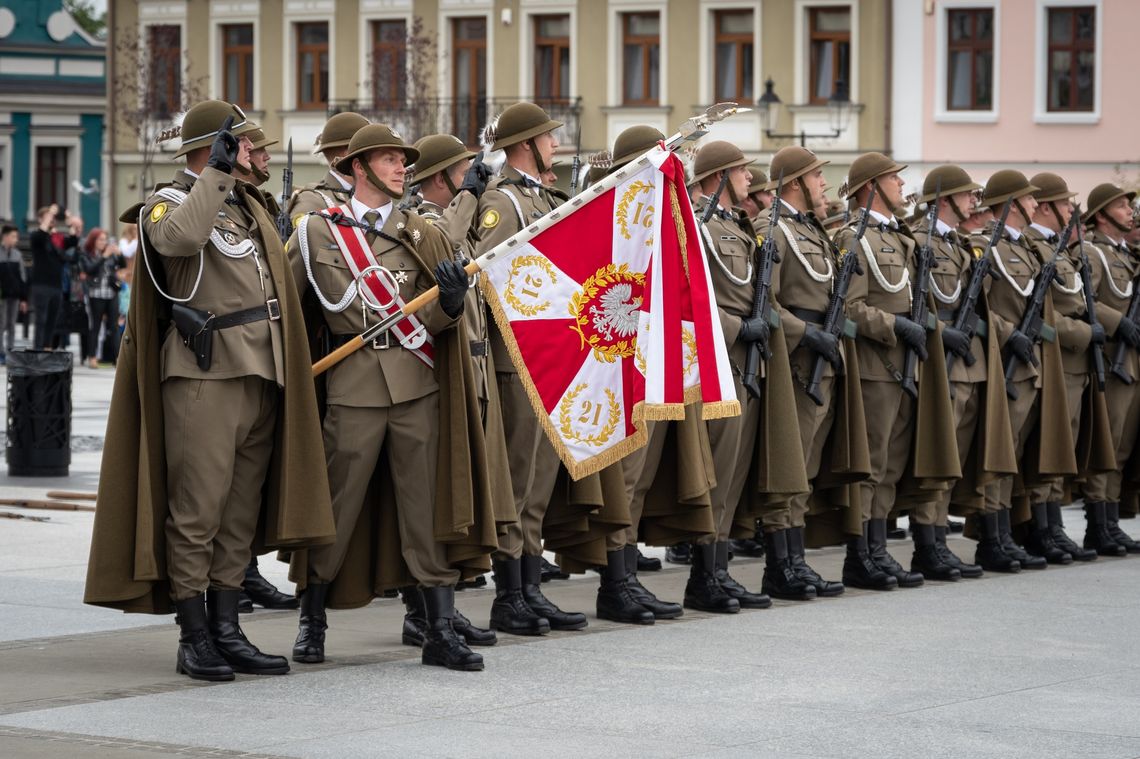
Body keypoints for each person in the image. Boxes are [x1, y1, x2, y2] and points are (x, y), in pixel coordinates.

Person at [84, 100, 335, 684]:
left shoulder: (248, 208)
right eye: (251, 145)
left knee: (237, 516)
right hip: (204, 375)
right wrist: (216, 174)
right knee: (196, 512)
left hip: (260, 371)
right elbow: (178, 242)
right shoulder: (167, 203)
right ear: (215, 148)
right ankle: (194, 635)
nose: (262, 155)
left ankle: (228, 628)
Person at [288, 123, 495, 672]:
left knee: (426, 508)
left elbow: (441, 317)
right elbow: (291, 311)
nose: (403, 167)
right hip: (351, 388)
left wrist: (449, 303)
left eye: (403, 160)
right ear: (357, 167)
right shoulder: (317, 232)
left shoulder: (424, 232)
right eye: (388, 160)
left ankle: (438, 629)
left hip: (416, 385)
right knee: (333, 507)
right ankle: (312, 621)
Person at [473, 102, 588, 635]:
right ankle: (509, 597)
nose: (556, 145)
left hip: (550, 359)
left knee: (539, 480)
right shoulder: (503, 200)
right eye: (549, 137)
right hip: (517, 359)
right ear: (526, 144)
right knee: (518, 480)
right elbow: (488, 277)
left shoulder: (545, 196)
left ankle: (530, 588)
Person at [834, 152, 958, 590]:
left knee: (890, 464)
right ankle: (860, 555)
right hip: (875, 367)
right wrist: (896, 326)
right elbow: (850, 307)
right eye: (893, 179)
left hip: (906, 366)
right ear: (871, 187)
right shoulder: (856, 239)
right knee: (870, 465)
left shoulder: (901, 238)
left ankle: (879, 548)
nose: (903, 187)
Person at [758, 145, 855, 598]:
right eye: (817, 176)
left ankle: (796, 559)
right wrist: (805, 334)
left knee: (808, 465)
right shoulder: (772, 230)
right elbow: (767, 303)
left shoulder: (810, 230)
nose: (823, 184)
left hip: (824, 356)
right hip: (796, 361)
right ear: (795, 182)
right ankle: (780, 565)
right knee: (790, 464)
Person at [910, 166, 1010, 577]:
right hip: (942, 360)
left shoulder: (959, 245)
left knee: (957, 458)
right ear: (945, 199)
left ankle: (941, 539)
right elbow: (917, 302)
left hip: (969, 363)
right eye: (966, 195)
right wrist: (942, 332)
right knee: (938, 455)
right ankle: (927, 544)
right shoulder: (920, 242)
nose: (974, 202)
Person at [1022, 173, 1104, 563]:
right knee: (1048, 443)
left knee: (1065, 442)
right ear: (1044, 206)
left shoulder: (1060, 249)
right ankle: (1042, 527)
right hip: (1052, 359)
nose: (1073, 211)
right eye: (1066, 204)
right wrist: (1086, 333)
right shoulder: (1036, 249)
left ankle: (1053, 524)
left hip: (1075, 362)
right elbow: (1041, 314)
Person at [1079, 182, 1140, 555]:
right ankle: (1097, 525)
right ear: (1101, 214)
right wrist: (1119, 322)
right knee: (1107, 443)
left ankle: (1112, 519)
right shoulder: (1092, 253)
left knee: (1122, 446)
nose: (1129, 212)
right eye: (1121, 207)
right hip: (1109, 360)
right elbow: (1084, 298)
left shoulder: (1125, 255)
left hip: (1129, 362)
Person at [285, 111, 370, 224]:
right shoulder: (313, 201)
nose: (376, 158)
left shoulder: (370, 195)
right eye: (370, 151)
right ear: (349, 153)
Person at [28, 206, 78, 350]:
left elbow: (73, 241)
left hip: (56, 286)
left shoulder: (55, 240)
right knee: (41, 321)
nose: (52, 220)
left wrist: (69, 221)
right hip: (41, 286)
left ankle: (47, 348)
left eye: (52, 218)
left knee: (52, 321)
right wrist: (50, 212)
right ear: (40, 220)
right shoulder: (36, 236)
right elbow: (41, 234)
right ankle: (37, 350)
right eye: (48, 217)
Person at [80, 229, 126, 367]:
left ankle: (118, 358)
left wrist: (120, 254)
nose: (103, 242)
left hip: (111, 294)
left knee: (114, 326)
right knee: (95, 326)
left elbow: (122, 265)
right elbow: (90, 269)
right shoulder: (87, 254)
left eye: (104, 239)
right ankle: (92, 357)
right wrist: (104, 256)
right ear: (93, 240)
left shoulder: (110, 254)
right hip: (96, 295)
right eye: (100, 239)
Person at [0, 225, 25, 363]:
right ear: (5, 236)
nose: (16, 239)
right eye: (13, 236)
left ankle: (10, 351)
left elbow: (22, 277)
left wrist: (23, 298)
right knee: (1, 324)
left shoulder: (18, 255)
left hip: (14, 295)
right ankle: (1, 352)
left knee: (11, 324)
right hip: (2, 296)